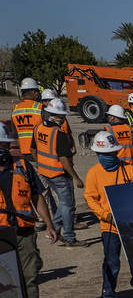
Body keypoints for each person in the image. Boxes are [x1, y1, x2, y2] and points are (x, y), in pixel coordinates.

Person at [83, 132, 133, 298]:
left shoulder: (130, 171)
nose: (107, 158)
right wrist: (105, 215)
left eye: (111, 154)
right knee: (112, 262)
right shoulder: (94, 174)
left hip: (131, 226)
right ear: (98, 154)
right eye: (103, 155)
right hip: (110, 227)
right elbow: (90, 198)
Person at [0, 122, 57, 298]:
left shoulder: (22, 166)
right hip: (0, 234)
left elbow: (36, 196)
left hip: (24, 231)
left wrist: (49, 224)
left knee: (30, 277)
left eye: (4, 145)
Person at [33, 98, 84, 247]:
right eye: (61, 117)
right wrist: (76, 177)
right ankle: (68, 236)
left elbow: (33, 149)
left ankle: (54, 228)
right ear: (53, 116)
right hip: (59, 175)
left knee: (63, 204)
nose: (63, 120)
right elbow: (63, 159)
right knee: (67, 206)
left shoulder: (38, 128)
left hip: (45, 173)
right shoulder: (58, 134)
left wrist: (41, 164)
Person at [10, 78, 43, 158]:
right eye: (37, 92)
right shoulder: (41, 108)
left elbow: (14, 134)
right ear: (34, 92)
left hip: (23, 153)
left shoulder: (15, 110)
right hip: (39, 152)